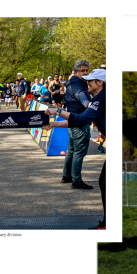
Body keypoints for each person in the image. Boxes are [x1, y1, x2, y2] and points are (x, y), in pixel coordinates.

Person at [44, 69, 106, 229]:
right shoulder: (99, 97)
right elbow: (80, 121)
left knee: (105, 183)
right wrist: (53, 124)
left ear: (100, 83)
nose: (87, 82)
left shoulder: (102, 98)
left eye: (91, 80)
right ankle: (107, 224)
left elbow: (82, 118)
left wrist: (58, 111)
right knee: (104, 182)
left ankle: (108, 225)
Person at [62, 60, 93, 189]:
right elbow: (81, 97)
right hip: (79, 120)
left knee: (72, 149)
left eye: (87, 70)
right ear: (75, 72)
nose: (85, 73)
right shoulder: (78, 85)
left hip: (72, 119)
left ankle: (67, 175)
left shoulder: (73, 82)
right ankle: (77, 180)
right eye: (83, 71)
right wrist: (89, 105)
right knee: (79, 151)